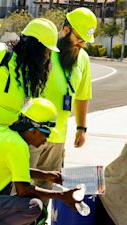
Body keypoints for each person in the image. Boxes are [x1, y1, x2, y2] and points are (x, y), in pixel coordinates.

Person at [0, 98, 82, 225]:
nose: (46, 139)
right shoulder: (18, 146)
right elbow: (23, 189)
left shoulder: (3, 132)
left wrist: (45, 175)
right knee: (33, 207)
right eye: (46, 133)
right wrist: (62, 196)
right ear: (33, 129)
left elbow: (16, 170)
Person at [30, 7, 97, 180]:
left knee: (47, 187)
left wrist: (81, 128)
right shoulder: (45, 50)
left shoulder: (83, 58)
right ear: (66, 30)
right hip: (32, 133)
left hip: (58, 137)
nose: (81, 44)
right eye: (79, 39)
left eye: (85, 42)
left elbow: (82, 95)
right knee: (21, 188)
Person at [0, 18, 59, 137]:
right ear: (35, 47)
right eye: (46, 51)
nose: (47, 56)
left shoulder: (33, 71)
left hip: (11, 134)